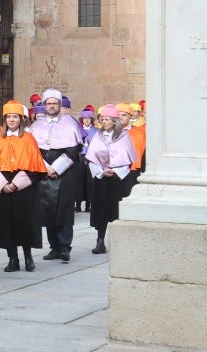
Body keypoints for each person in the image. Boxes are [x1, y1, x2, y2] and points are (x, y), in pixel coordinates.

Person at [29, 88, 85, 263]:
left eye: (55, 103)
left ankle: (65, 247)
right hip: (43, 174)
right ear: (44, 105)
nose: (52, 106)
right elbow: (33, 150)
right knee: (47, 211)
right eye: (49, 103)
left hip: (64, 174)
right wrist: (46, 168)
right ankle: (54, 247)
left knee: (64, 211)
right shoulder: (36, 125)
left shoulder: (70, 123)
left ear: (60, 105)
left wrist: (57, 168)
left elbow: (74, 150)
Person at [0, 101, 44, 273]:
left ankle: (28, 257)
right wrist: (3, 185)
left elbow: (36, 167)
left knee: (24, 222)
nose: (12, 120)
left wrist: (17, 183)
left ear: (21, 119)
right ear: (4, 120)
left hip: (24, 187)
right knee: (6, 224)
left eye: (15, 117)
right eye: (9, 117)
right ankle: (12, 258)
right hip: (2, 186)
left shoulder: (28, 139)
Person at [86, 104, 139, 255]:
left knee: (116, 210)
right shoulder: (98, 136)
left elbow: (127, 159)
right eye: (102, 119)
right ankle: (100, 240)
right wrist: (102, 171)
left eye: (107, 119)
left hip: (118, 180)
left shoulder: (124, 136)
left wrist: (115, 171)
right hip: (101, 178)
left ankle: (119, 241)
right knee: (100, 210)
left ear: (114, 121)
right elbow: (91, 157)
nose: (103, 121)